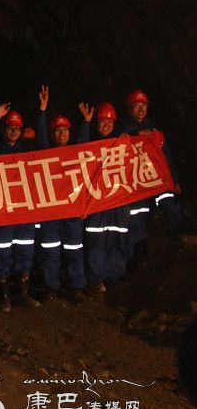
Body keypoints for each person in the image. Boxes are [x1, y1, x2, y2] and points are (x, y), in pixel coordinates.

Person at [36, 85, 91, 303]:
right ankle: (51, 286)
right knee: (50, 250)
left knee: (74, 249)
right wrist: (42, 110)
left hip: (71, 210)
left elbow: (86, 147)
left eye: (65, 130)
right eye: (58, 131)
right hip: (51, 210)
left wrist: (86, 122)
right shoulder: (47, 153)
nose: (62, 134)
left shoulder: (76, 153)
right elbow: (40, 138)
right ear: (52, 135)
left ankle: (76, 286)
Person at [0, 99, 39, 312]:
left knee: (25, 252)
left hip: (23, 212)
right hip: (3, 211)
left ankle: (22, 293)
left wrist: (42, 111)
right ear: (4, 129)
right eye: (10, 128)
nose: (14, 132)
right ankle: (3, 296)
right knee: (2, 252)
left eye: (17, 129)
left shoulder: (26, 152)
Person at [119, 89, 183, 269]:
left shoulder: (154, 130)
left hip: (157, 180)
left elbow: (166, 156)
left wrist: (174, 180)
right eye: (137, 106)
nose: (141, 109)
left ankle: (175, 240)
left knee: (170, 205)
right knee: (136, 222)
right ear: (129, 108)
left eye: (144, 106)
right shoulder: (122, 130)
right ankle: (133, 264)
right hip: (137, 185)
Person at [83, 102, 129, 299]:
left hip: (117, 201)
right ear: (97, 123)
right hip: (96, 201)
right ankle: (96, 279)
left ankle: (114, 276)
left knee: (117, 237)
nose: (106, 125)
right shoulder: (90, 144)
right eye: (102, 121)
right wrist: (85, 123)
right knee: (96, 240)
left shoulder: (122, 142)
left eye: (109, 122)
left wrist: (127, 142)